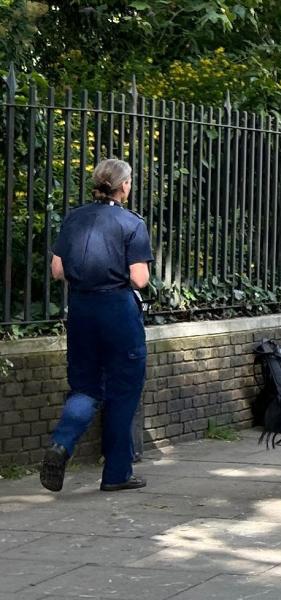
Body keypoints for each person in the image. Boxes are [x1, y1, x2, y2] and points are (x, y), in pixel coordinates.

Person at [40, 158, 154, 493]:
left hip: (81, 308)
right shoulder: (132, 224)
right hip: (117, 310)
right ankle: (117, 473)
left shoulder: (74, 218)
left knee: (85, 387)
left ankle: (61, 443)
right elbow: (139, 278)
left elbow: (58, 271)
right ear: (124, 186)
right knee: (123, 389)